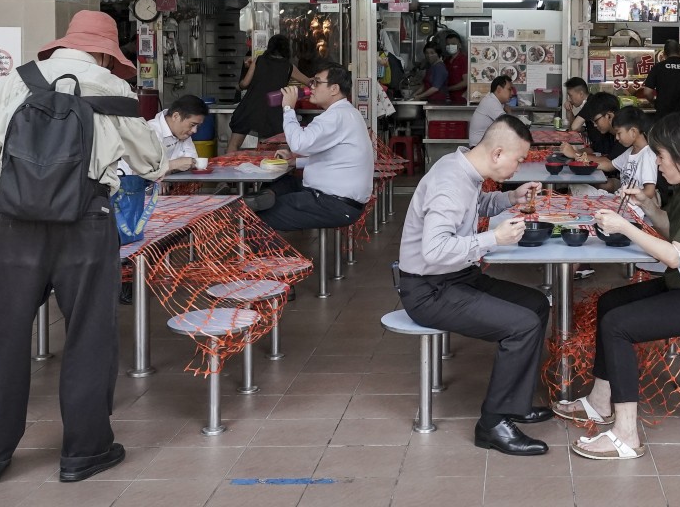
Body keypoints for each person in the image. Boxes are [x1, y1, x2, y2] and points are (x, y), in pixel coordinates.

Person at [0, 10, 168, 486]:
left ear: (65, 43)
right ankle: (84, 452)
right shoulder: (110, 88)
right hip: (86, 222)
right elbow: (152, 162)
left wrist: (25, 196)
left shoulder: (18, 81)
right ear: (104, 51)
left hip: (17, 225)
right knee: (88, 336)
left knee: (2, 335)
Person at [555, 113, 680, 461]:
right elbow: (677, 233)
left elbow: (679, 258)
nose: (657, 163)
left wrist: (626, 227)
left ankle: (626, 435)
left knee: (619, 326)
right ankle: (601, 402)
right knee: (611, 303)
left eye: (660, 155)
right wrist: (647, 207)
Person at [398, 115, 552, 456]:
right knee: (522, 325)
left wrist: (510, 198)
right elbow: (434, 250)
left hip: (457, 276)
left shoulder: (464, 169)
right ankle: (492, 424)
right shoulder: (450, 181)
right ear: (498, 153)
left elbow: (475, 206)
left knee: (537, 304)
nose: (520, 167)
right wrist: (493, 238)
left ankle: (515, 403)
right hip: (428, 289)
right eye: (519, 159)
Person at [249, 63, 373, 230]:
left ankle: (258, 212)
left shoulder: (335, 116)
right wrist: (295, 162)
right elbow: (333, 158)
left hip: (333, 203)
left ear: (334, 89)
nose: (311, 87)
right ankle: (262, 198)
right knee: (285, 182)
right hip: (332, 197)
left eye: (316, 82)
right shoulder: (348, 113)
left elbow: (299, 144)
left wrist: (288, 108)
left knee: (257, 217)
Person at [227, 35, 310, 153]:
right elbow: (308, 82)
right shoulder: (288, 67)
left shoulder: (258, 60)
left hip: (250, 106)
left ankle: (228, 165)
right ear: (287, 49)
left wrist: (238, 86)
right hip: (271, 112)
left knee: (234, 145)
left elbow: (245, 84)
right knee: (265, 149)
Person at [559, 92, 625, 166]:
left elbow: (608, 161)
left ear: (609, 116)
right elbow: (595, 149)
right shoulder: (606, 133)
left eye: (596, 121)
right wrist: (577, 151)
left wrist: (575, 154)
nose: (594, 125)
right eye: (593, 121)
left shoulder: (624, 135)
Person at [641, 40, 680, 117]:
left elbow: (647, 92)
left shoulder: (658, 68)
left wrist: (654, 102)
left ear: (664, 54)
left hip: (664, 115)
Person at [149, 95, 209, 172]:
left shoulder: (183, 134)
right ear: (176, 116)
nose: (194, 130)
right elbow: (140, 169)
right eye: (192, 125)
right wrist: (173, 165)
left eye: (198, 126)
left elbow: (192, 162)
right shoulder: (149, 131)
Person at [469, 76, 513, 147]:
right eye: (509, 89)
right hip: (478, 149)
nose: (512, 93)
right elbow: (509, 124)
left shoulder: (496, 101)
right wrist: (509, 112)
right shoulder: (491, 101)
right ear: (499, 89)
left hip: (485, 146)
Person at [444, 32, 468, 105]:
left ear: (459, 45)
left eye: (453, 44)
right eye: (448, 44)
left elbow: (465, 82)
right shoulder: (446, 61)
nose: (450, 46)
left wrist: (447, 89)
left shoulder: (464, 60)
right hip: (448, 98)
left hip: (460, 99)